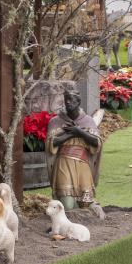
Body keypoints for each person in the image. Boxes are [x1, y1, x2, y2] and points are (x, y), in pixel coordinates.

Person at [46, 89, 105, 220]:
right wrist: (70, 134)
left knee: (85, 202)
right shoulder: (56, 121)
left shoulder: (88, 121)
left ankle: (91, 210)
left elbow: (97, 143)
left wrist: (80, 132)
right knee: (68, 205)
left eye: (71, 100)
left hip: (82, 165)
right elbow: (51, 143)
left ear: (78, 102)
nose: (68, 102)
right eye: (66, 99)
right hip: (63, 164)